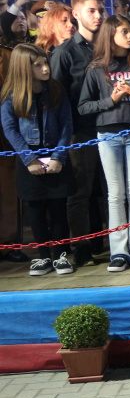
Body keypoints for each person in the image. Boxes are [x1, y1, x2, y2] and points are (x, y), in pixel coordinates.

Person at [78, 14, 130, 272]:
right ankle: (118, 252)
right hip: (108, 135)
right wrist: (110, 101)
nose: (129, 36)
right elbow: (83, 107)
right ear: (110, 35)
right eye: (123, 31)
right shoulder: (96, 69)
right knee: (115, 194)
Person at [1, 43, 76, 275]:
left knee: (58, 208)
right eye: (39, 65)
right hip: (29, 160)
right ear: (24, 68)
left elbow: (66, 124)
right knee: (35, 209)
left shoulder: (55, 90)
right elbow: (10, 129)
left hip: (55, 156)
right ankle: (43, 256)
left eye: (46, 63)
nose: (46, 68)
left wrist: (58, 156)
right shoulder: (11, 95)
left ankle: (61, 254)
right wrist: (29, 159)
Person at [50, 0, 105, 267]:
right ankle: (82, 247)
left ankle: (110, 243)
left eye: (100, 10)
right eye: (91, 10)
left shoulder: (109, 46)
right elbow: (56, 98)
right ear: (76, 13)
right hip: (79, 132)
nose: (97, 16)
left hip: (111, 128)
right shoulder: (65, 52)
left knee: (111, 192)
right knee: (80, 192)